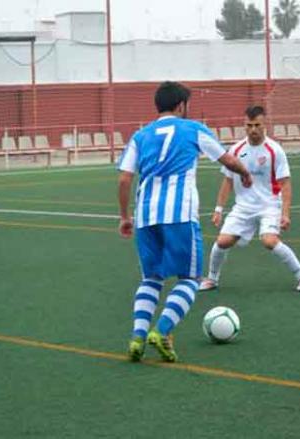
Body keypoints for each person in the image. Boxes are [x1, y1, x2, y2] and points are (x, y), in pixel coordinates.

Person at [117, 81, 252, 363]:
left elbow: (125, 177)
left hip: (145, 216)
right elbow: (227, 159)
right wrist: (245, 172)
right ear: (181, 106)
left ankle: (137, 337)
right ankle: (162, 331)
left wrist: (124, 216)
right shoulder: (193, 129)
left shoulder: (140, 136)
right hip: (179, 215)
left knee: (151, 278)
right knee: (190, 279)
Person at [199, 105, 300, 293]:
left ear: (264, 124)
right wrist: (218, 209)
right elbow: (227, 181)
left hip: (269, 205)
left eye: (257, 125)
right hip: (243, 207)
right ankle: (212, 279)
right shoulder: (236, 150)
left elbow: (285, 183)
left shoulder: (274, 150)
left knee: (269, 241)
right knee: (222, 242)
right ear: (244, 125)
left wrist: (285, 214)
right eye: (249, 125)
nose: (253, 129)